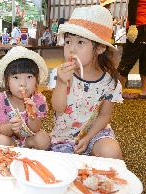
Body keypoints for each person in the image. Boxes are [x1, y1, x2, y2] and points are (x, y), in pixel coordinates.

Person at [50, 5, 123, 159]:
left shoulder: (110, 82)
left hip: (95, 133)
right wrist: (62, 83)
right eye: (68, 41)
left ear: (100, 48)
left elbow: (104, 116)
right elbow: (58, 108)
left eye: (80, 42)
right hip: (65, 136)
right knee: (64, 167)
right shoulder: (60, 74)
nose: (71, 49)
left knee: (111, 152)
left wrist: (88, 137)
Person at [0, 46, 51, 150]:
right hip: (10, 140)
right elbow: (1, 130)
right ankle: (14, 150)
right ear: (7, 81)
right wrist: (11, 127)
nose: (22, 83)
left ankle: (26, 148)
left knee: (43, 139)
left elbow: (36, 129)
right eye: (16, 77)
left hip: (28, 139)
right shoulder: (0, 100)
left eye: (29, 77)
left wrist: (32, 117)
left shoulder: (38, 99)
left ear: (37, 80)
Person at [117, 0, 146, 98]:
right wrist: (132, 25)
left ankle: (145, 91)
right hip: (140, 26)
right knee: (131, 60)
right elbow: (133, 3)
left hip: (145, 27)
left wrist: (132, 25)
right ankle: (117, 91)